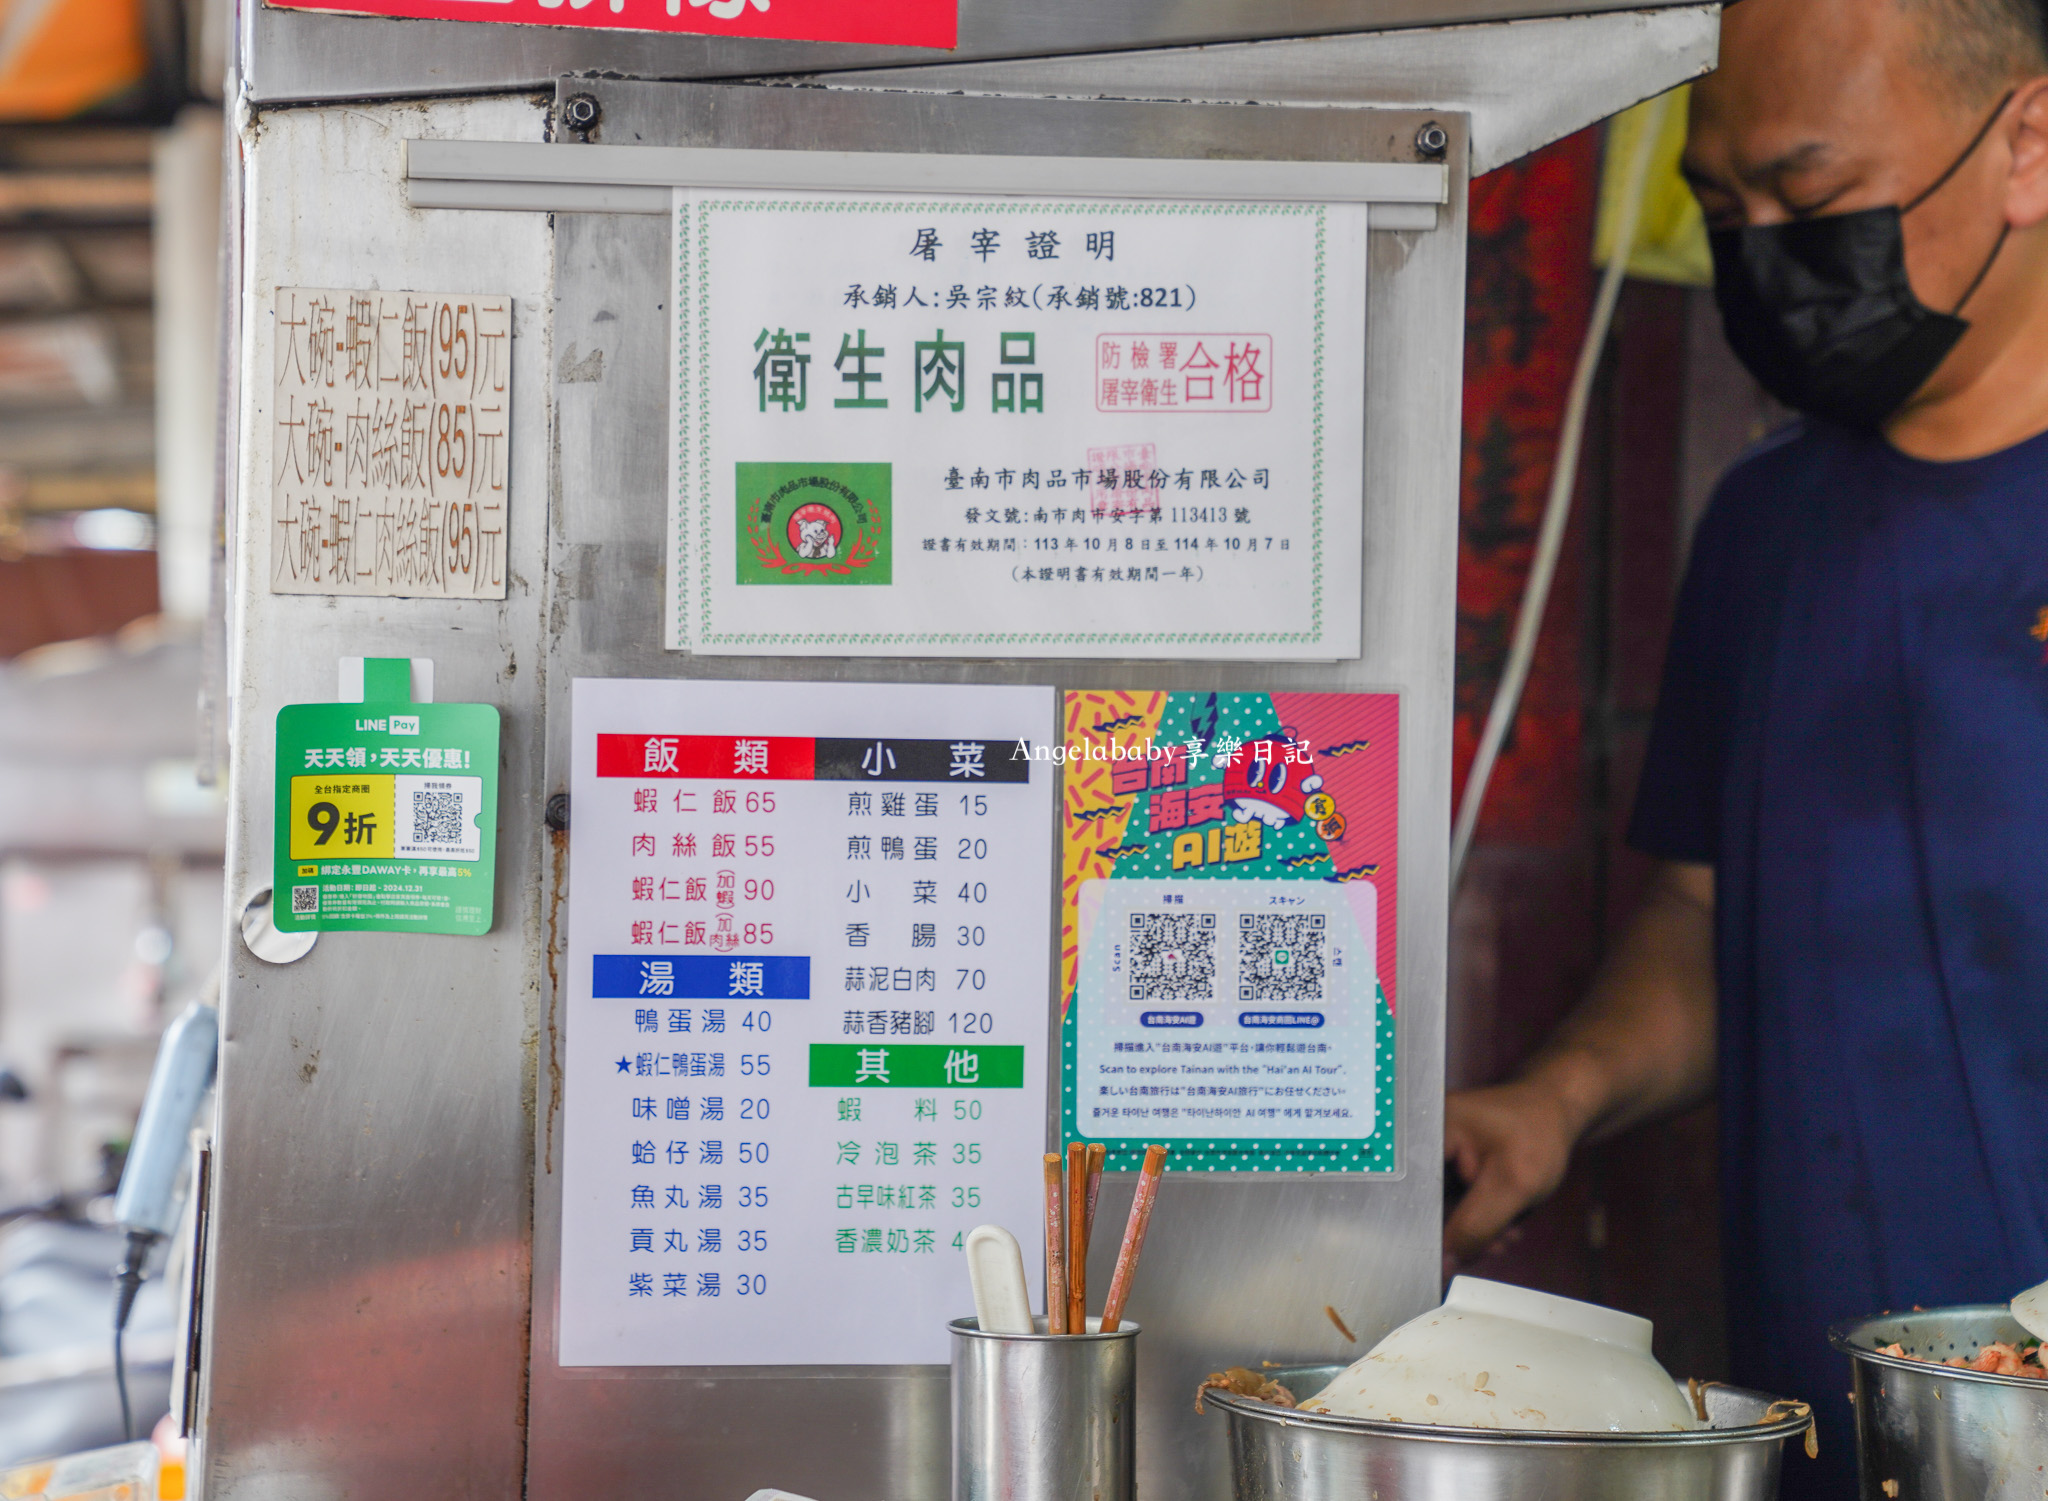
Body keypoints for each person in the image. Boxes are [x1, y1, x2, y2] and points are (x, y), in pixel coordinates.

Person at [1443, 0, 2048, 1492]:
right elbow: (1715, 910)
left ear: (2027, 146)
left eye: (1814, 195)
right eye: (1723, 208)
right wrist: (1560, 1097)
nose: (1766, 252)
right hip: (1822, 1436)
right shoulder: (1763, 527)